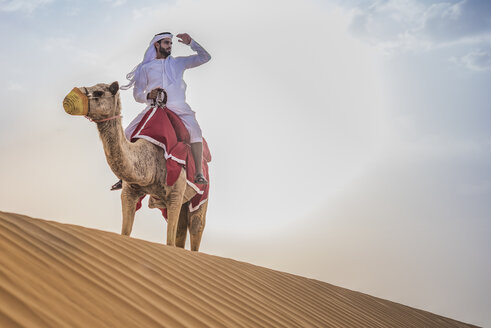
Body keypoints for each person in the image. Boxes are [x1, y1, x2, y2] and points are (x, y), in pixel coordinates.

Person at [111, 31, 211, 191]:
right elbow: (137, 95)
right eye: (166, 43)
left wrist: (192, 42)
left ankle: (199, 173)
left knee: (195, 131)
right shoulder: (145, 68)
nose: (170, 46)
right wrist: (147, 96)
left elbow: (205, 58)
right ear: (157, 45)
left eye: (171, 43)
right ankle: (123, 177)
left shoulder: (179, 63)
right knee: (128, 133)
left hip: (180, 108)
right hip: (154, 108)